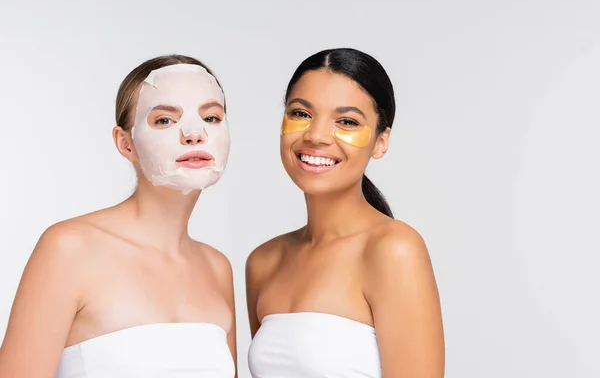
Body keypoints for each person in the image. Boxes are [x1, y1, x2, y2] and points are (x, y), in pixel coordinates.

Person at [0, 55, 237, 378]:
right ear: (125, 144)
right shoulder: (70, 248)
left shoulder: (217, 268)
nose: (194, 134)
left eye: (211, 117)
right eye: (165, 120)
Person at [246, 48, 445, 377]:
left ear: (380, 142)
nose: (317, 136)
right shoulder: (264, 262)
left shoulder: (393, 249)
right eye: (301, 113)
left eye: (347, 121)